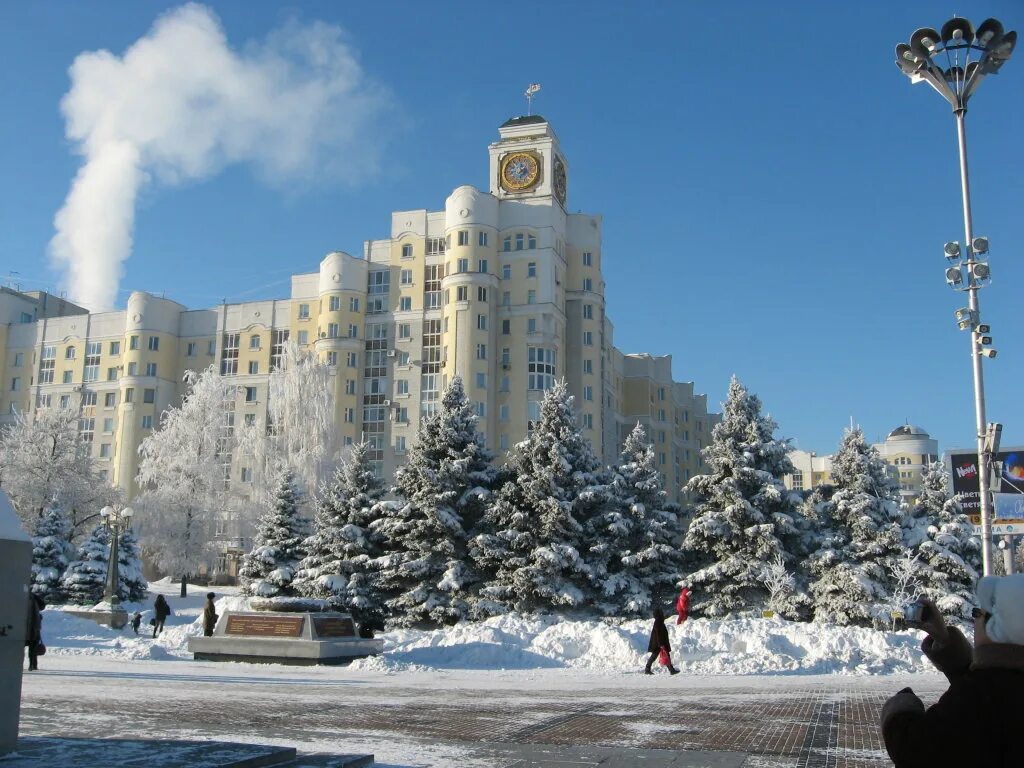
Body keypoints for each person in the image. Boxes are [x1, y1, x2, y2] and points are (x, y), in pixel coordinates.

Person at [881, 574, 1024, 767]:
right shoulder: (998, 686)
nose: (975, 623)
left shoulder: (980, 696)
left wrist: (900, 709)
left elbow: (915, 751)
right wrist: (946, 640)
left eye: (977, 614)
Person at [645, 607, 680, 675]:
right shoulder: (658, 621)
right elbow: (658, 633)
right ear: (659, 614)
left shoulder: (659, 621)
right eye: (661, 612)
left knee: (664, 655)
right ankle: (647, 669)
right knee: (658, 656)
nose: (662, 613)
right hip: (659, 643)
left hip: (659, 642)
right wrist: (661, 644)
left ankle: (671, 670)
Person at [25, 594, 44, 671]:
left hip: (25, 628)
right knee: (33, 648)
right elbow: (42, 606)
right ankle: (32, 665)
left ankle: (31, 665)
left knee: (20, 647)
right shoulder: (34, 598)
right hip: (34, 627)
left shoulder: (21, 596)